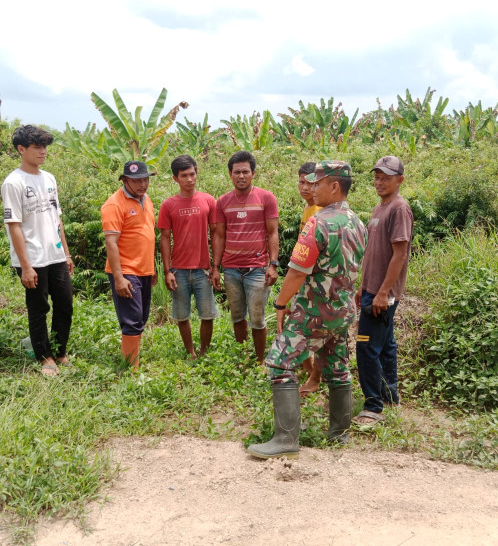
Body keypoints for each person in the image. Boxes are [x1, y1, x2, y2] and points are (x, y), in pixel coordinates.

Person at [248, 161, 366, 459]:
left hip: (313, 313)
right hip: (343, 313)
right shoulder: (358, 222)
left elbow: (298, 272)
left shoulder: (319, 222)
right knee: (338, 369)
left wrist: (281, 303)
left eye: (318, 183)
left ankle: (286, 439)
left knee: (279, 363)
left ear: (334, 186)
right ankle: (339, 434)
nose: (311, 188)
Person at [1, 125, 74, 377]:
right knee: (39, 308)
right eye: (37, 147)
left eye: (45, 147)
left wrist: (66, 253)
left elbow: (57, 218)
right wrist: (26, 265)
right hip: (32, 257)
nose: (43, 151)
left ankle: (61, 351)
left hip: (55, 255)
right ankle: (45, 357)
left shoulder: (49, 178)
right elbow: (15, 227)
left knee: (65, 305)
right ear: (21, 149)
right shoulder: (13, 183)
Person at [353, 155, 413, 425]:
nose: (379, 182)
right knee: (386, 345)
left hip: (383, 294)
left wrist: (381, 293)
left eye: (386, 177)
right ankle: (390, 398)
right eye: (376, 177)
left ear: (399, 180)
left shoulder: (399, 209)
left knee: (366, 347)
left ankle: (373, 407)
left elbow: (399, 255)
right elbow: (374, 253)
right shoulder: (380, 208)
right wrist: (363, 286)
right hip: (372, 290)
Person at [211, 151, 279, 363]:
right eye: (236, 172)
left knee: (257, 319)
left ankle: (259, 361)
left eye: (245, 172)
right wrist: (216, 267)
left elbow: (273, 233)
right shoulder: (222, 202)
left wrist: (273, 264)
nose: (241, 176)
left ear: (253, 173)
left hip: (257, 269)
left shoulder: (266, 198)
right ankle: (244, 356)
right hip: (231, 270)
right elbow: (219, 236)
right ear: (230, 174)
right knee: (237, 316)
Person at [157, 155, 219, 358]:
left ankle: (203, 351)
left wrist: (215, 266)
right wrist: (167, 271)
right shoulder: (168, 205)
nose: (189, 179)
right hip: (178, 270)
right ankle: (190, 351)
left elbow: (216, 234)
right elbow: (164, 238)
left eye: (192, 174)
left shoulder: (208, 200)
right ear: (175, 178)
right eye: (184, 176)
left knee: (207, 314)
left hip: (203, 270)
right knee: (182, 315)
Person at [100, 160, 157, 369]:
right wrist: (119, 278)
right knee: (132, 320)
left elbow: (147, 235)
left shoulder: (147, 200)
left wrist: (152, 268)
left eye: (145, 179)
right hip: (126, 271)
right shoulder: (114, 204)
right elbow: (111, 243)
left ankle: (134, 360)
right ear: (125, 180)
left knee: (141, 317)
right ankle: (130, 369)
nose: (143, 184)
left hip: (144, 269)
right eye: (136, 180)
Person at [296, 161, 324, 397]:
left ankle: (315, 377)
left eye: (311, 183)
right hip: (305, 280)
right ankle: (309, 372)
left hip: (318, 282)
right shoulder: (308, 209)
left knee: (315, 332)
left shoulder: (320, 212)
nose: (305, 187)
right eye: (302, 182)